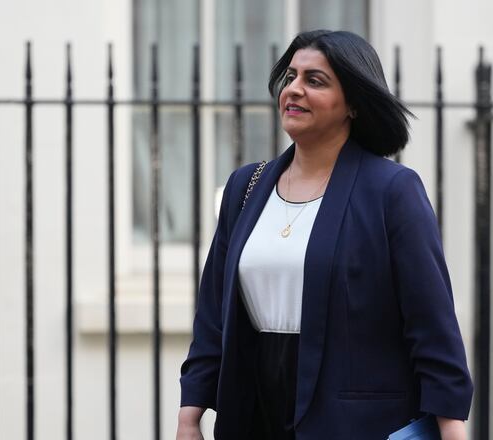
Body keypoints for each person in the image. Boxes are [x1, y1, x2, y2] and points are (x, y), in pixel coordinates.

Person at [177, 30, 473, 440]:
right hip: (254, 410)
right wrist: (190, 413)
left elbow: (431, 322)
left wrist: (451, 428)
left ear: (352, 103)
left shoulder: (392, 191)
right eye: (291, 76)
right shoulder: (246, 187)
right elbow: (213, 315)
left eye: (314, 80)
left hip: (354, 423)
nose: (294, 90)